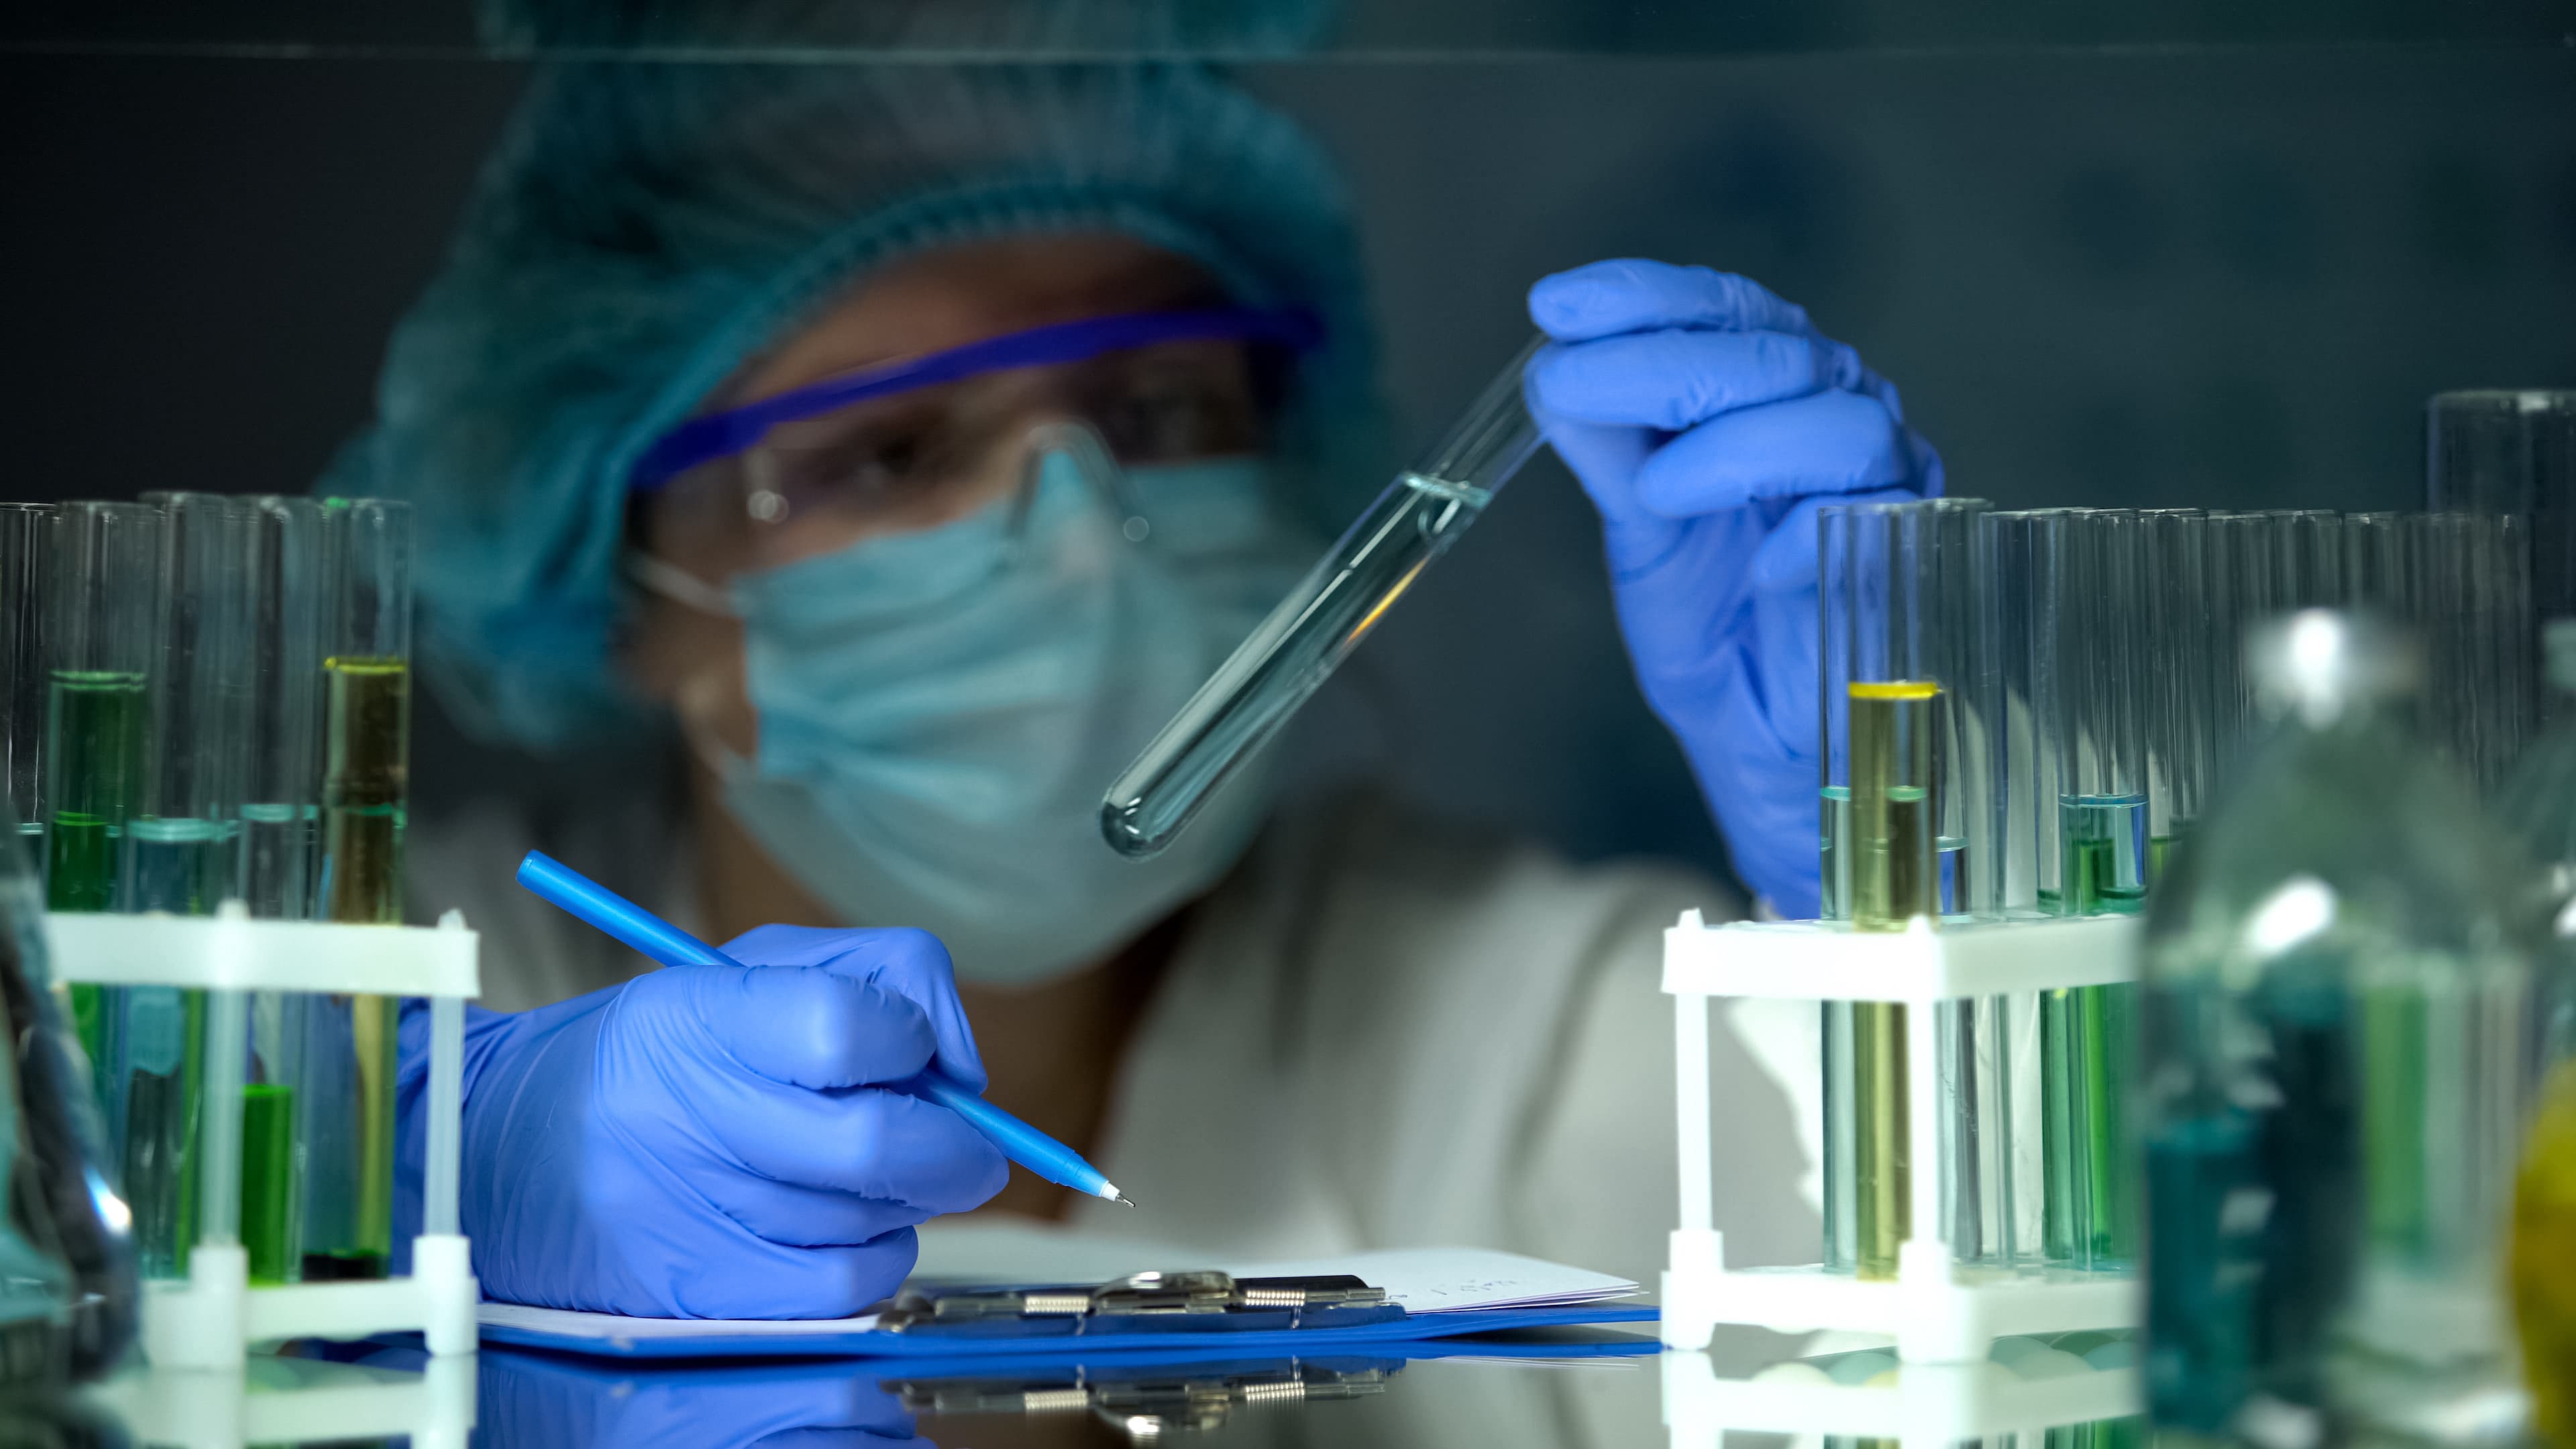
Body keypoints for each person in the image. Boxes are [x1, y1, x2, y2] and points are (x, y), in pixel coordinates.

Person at [356, 63, 1941, 1318]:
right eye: (892, 449)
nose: (1076, 545)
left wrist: (1905, 895)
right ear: (621, 576)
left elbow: (2003, 1292)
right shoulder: (432, 1001)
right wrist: (434, 1176)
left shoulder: (1517, 1038)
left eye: (1160, 407)